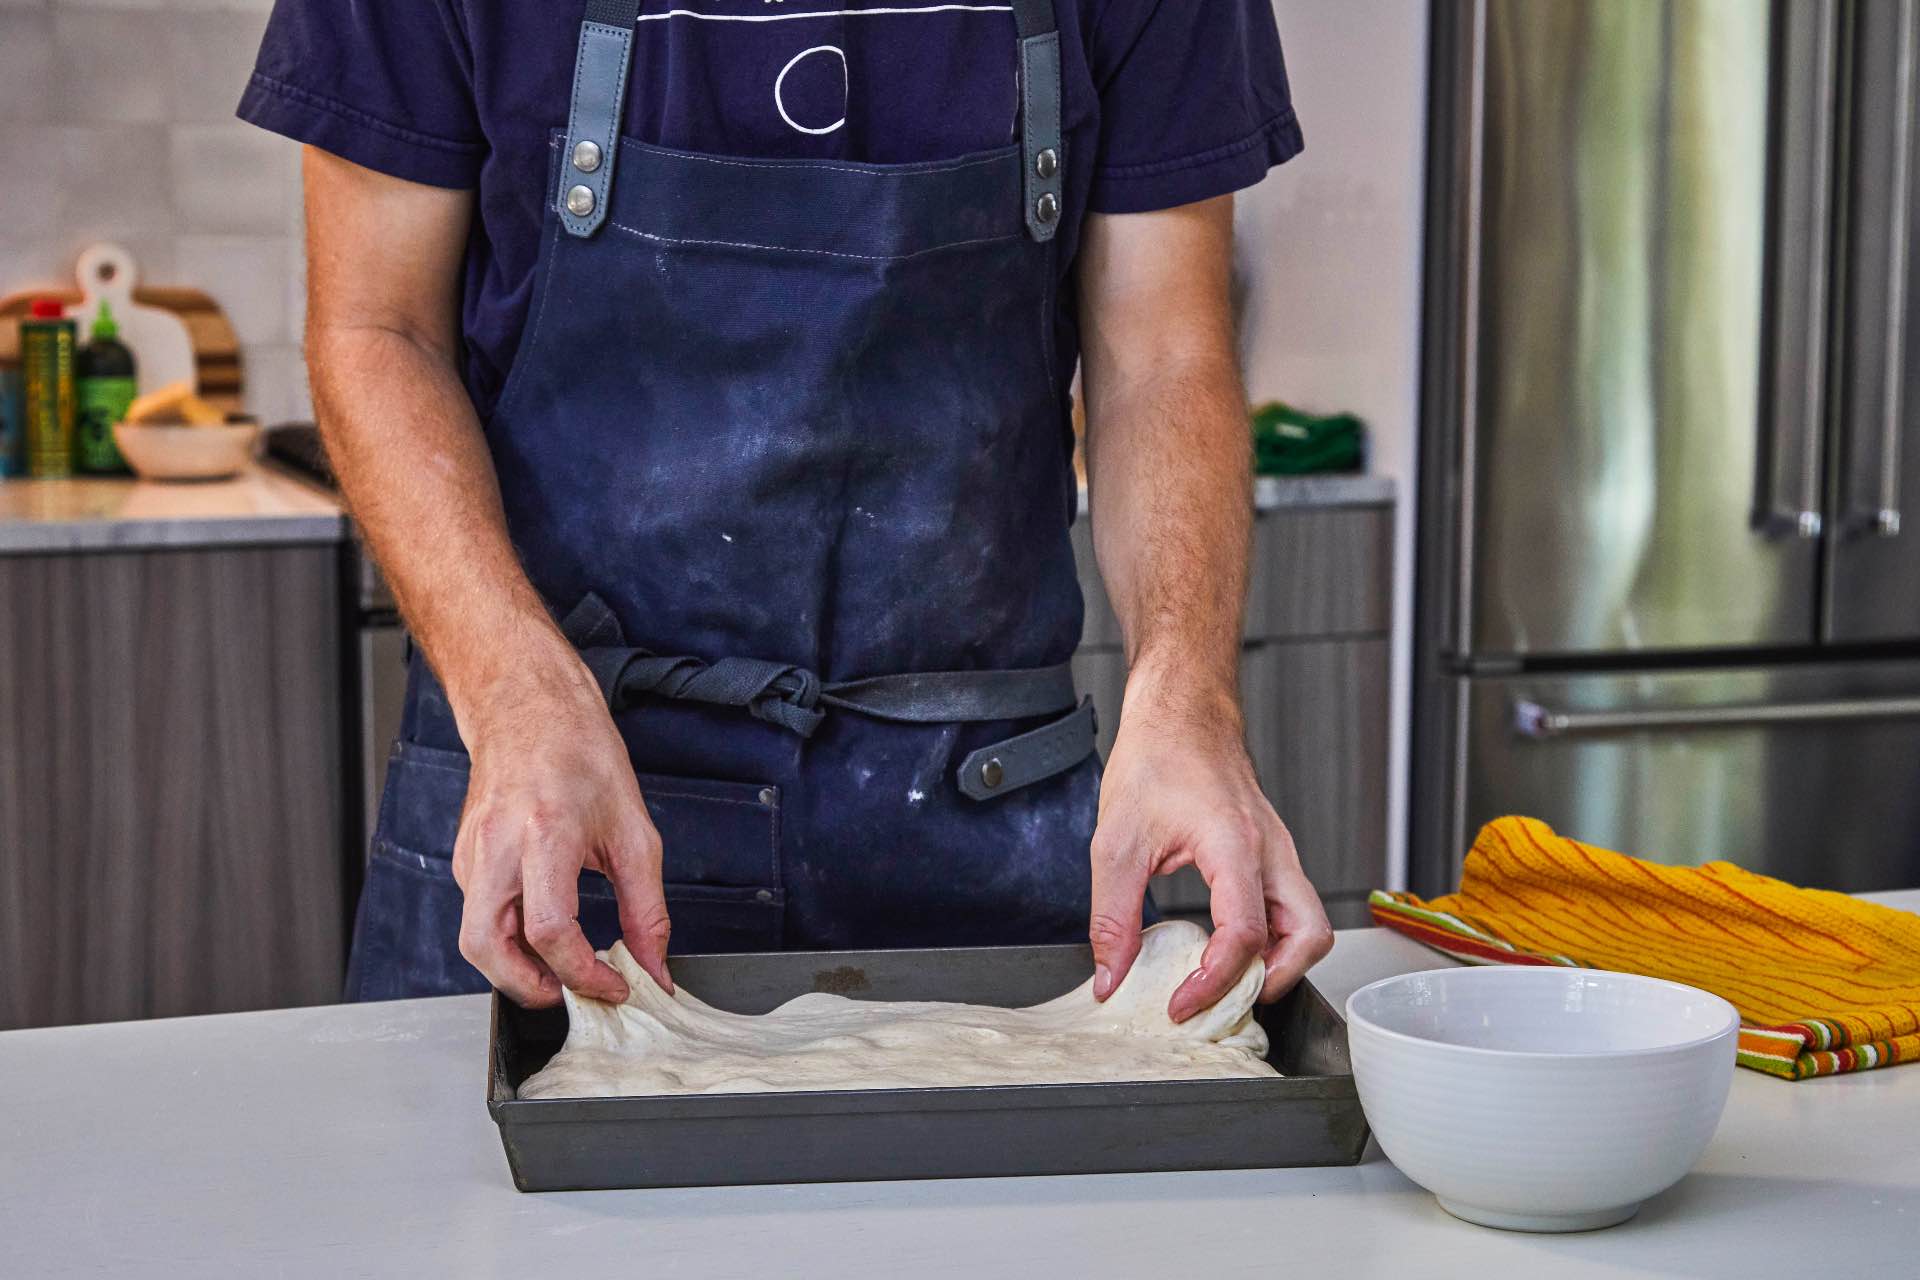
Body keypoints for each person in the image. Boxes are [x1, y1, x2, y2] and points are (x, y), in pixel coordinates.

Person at [240, 0, 1333, 1021]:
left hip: (976, 821)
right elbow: (379, 330)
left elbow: (1163, 355)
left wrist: (1188, 697)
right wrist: (512, 689)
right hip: (553, 805)